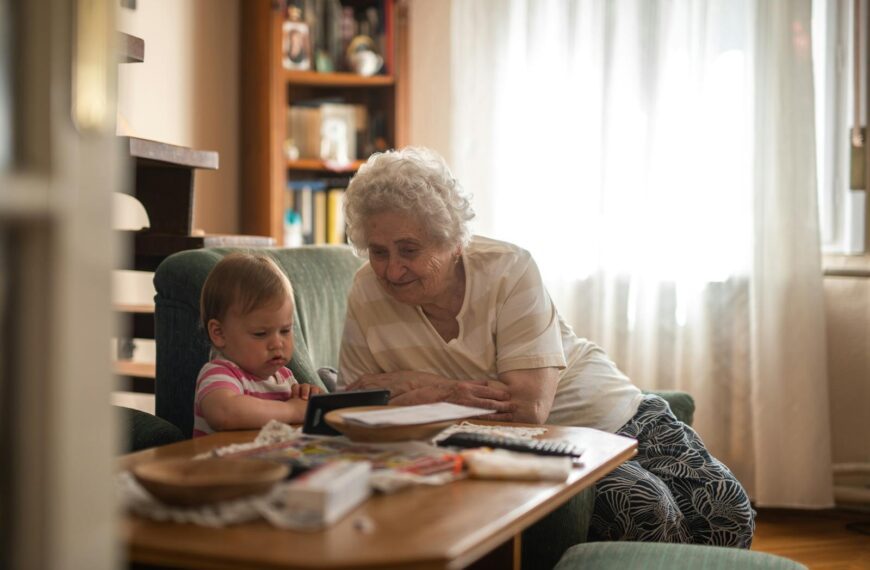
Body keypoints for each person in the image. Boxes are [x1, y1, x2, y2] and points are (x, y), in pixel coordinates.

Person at [337, 147, 755, 547]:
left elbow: (526, 408)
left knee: (728, 514)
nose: (391, 270)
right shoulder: (365, 292)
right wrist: (445, 392)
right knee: (646, 507)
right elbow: (355, 408)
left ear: (452, 241)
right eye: (378, 252)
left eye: (409, 250)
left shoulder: (508, 269)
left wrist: (416, 386)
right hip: (539, 450)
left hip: (618, 416)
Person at [193, 252, 320, 437]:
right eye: (260, 334)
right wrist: (292, 411)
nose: (277, 343)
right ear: (219, 333)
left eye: (285, 330)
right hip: (223, 464)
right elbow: (224, 413)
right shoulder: (219, 373)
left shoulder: (285, 378)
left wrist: (306, 397)